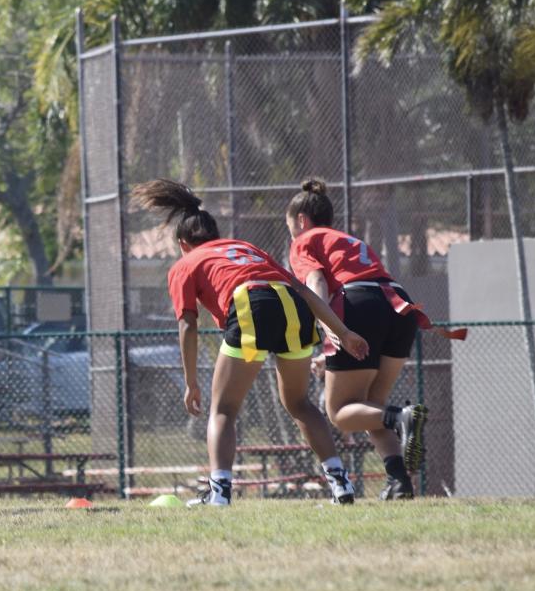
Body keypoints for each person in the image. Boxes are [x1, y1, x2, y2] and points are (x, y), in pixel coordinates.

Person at [134, 179, 371, 507]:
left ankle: (219, 494)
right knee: (299, 403)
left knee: (223, 410)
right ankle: (341, 485)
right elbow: (302, 290)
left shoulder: (185, 264)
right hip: (292, 306)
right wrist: (342, 332)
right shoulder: (246, 249)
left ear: (183, 242)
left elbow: (188, 324)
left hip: (252, 305)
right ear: (215, 235)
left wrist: (190, 383)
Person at [285, 179, 436, 500]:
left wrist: (331, 327)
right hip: (398, 304)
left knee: (339, 411)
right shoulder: (347, 240)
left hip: (357, 305)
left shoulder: (304, 240)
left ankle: (402, 417)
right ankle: (399, 482)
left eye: (290, 227)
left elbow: (314, 280)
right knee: (370, 407)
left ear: (301, 220)